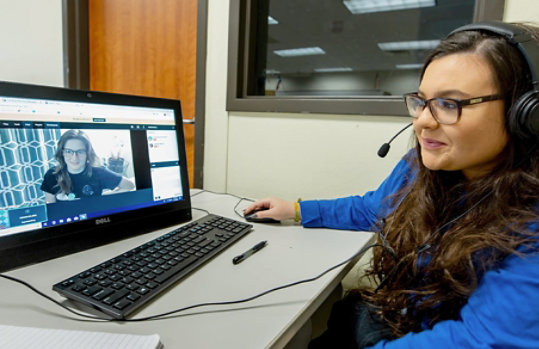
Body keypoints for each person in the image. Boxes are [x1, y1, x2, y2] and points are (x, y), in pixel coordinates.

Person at [245, 22, 539, 348]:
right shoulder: (420, 168)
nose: (424, 121)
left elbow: (482, 341)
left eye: (450, 104)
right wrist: (296, 209)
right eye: (423, 101)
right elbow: (372, 207)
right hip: (398, 318)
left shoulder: (530, 223)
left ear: (525, 114)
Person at [41, 129, 135, 203]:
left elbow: (129, 185)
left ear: (87, 153)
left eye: (80, 151)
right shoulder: (52, 175)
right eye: (69, 151)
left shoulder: (99, 173)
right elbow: (50, 204)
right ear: (62, 153)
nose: (74, 158)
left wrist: (101, 199)